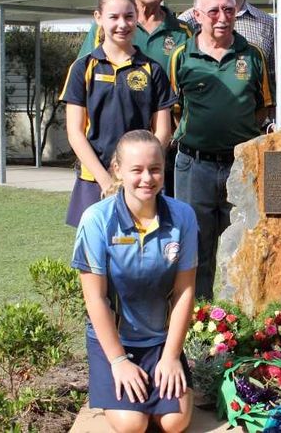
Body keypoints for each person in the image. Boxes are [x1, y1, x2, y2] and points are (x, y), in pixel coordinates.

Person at [72, 129, 197, 433]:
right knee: (132, 425)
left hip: (159, 342)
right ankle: (119, 385)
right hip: (114, 343)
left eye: (155, 169)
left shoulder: (183, 216)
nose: (147, 178)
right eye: (137, 170)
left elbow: (184, 291)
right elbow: (95, 298)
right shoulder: (96, 219)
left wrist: (171, 356)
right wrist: (118, 361)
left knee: (174, 423)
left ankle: (161, 382)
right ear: (117, 170)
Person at [169, 0, 272, 300]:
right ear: (197, 15)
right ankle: (200, 320)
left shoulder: (252, 55)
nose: (222, 17)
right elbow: (174, 110)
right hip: (194, 167)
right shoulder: (181, 56)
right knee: (195, 250)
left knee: (242, 249)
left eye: (228, 9)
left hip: (240, 168)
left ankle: (237, 322)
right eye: (213, 11)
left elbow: (264, 108)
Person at [76, 0, 193, 197]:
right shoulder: (106, 28)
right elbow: (84, 91)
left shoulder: (184, 32)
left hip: (161, 156)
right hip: (102, 159)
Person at [61, 0, 177, 227]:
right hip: (94, 180)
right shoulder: (83, 68)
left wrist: (138, 174)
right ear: (98, 18)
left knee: (142, 246)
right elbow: (75, 132)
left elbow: (163, 132)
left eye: (128, 16)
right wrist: (106, 180)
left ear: (137, 17)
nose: (122, 24)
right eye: (113, 17)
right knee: (95, 248)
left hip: (139, 183)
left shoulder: (153, 70)